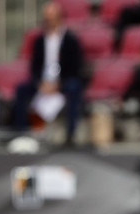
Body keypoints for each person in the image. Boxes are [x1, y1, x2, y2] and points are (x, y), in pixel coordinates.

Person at [11, 1, 84, 146]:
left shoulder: (71, 40)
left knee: (74, 87)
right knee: (21, 89)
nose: (48, 22)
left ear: (59, 18)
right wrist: (40, 83)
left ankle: (70, 134)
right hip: (43, 81)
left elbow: (75, 68)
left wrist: (58, 84)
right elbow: (34, 67)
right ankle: (21, 133)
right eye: (46, 18)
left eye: (51, 18)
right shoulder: (39, 41)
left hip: (63, 81)